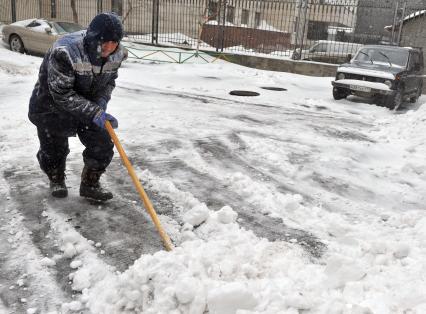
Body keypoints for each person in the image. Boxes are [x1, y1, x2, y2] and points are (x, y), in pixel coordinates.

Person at [28, 12, 126, 201]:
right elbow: (61, 94)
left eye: (115, 41)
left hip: (86, 105)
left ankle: (90, 183)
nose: (110, 47)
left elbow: (108, 82)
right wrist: (94, 111)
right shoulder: (65, 51)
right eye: (105, 41)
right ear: (93, 37)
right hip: (51, 106)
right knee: (54, 148)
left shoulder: (118, 53)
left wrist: (101, 102)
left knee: (103, 143)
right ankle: (55, 176)